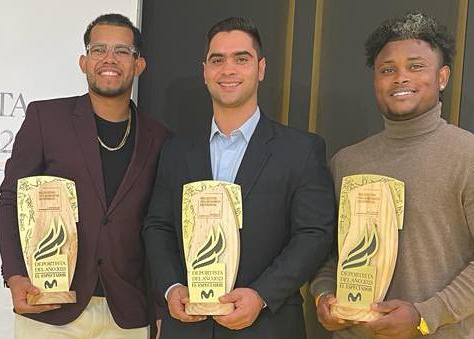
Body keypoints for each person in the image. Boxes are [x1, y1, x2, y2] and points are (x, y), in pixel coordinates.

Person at [310, 11, 474, 339]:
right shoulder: (346, 162)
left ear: (442, 77)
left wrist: (425, 315)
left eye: (415, 66)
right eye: (388, 70)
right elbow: (327, 252)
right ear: (376, 80)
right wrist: (323, 294)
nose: (400, 78)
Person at [142, 17, 335, 339]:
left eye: (241, 59)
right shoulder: (175, 151)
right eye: (217, 60)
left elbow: (314, 234)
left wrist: (261, 295)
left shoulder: (301, 150)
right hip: (188, 328)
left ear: (260, 69)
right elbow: (157, 225)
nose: (228, 70)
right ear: (205, 71)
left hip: (268, 326)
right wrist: (172, 287)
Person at [0, 13, 170, 339]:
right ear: (83, 61)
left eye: (121, 51)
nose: (109, 59)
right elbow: (11, 199)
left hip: (128, 315)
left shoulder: (160, 138)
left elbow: (161, 228)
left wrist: (162, 310)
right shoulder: (45, 118)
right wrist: (15, 275)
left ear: (139, 65)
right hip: (49, 306)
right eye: (98, 49)